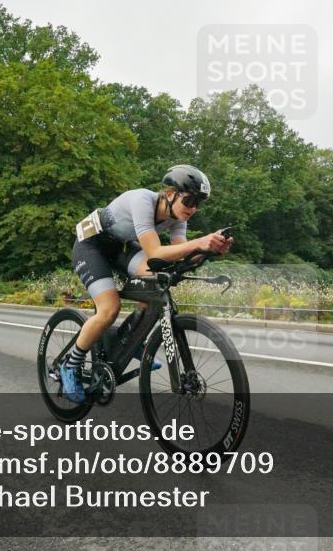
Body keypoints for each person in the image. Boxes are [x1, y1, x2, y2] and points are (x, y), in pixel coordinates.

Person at [60, 165, 233, 403]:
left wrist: (210, 251)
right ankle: (71, 364)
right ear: (171, 193)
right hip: (92, 246)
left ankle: (131, 339)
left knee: (154, 284)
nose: (193, 208)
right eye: (190, 200)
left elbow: (181, 255)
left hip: (120, 247)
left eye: (198, 203)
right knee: (109, 309)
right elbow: (154, 252)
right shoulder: (142, 200)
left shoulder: (177, 218)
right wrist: (199, 242)